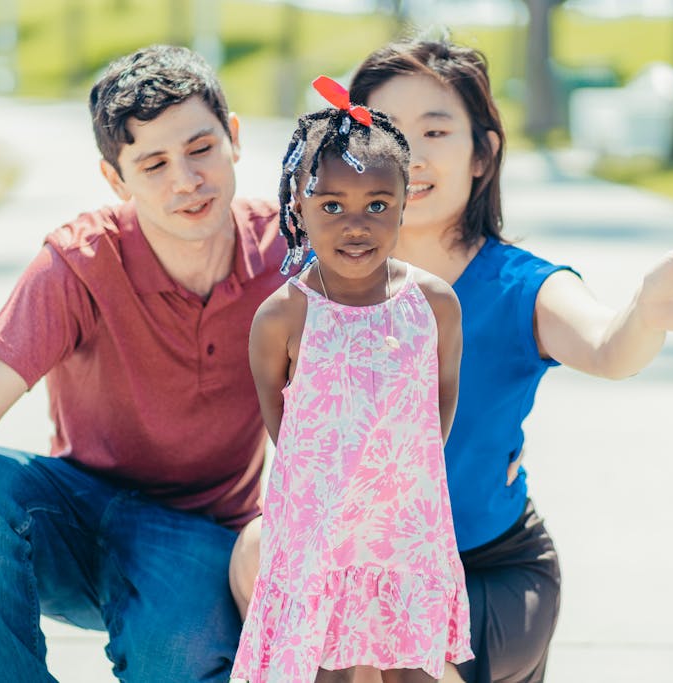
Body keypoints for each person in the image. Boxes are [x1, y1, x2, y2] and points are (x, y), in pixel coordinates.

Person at [229, 40, 673, 683]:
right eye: (388, 130)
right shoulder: (306, 282)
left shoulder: (517, 285)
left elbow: (607, 345)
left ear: (482, 153)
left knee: (387, 655)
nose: (411, 151)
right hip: (347, 564)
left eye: (435, 130)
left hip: (484, 568)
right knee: (259, 552)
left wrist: (646, 312)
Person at [0, 45, 287, 683]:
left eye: (201, 148)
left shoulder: (287, 255)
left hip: (198, 535)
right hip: (79, 515)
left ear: (234, 139)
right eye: (152, 163)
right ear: (116, 180)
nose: (185, 179)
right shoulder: (81, 261)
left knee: (172, 663)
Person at [231, 79, 471, 683]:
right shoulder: (283, 317)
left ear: (403, 203)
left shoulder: (433, 304)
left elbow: (438, 409)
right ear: (299, 206)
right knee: (323, 670)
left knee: (412, 668)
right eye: (331, 206)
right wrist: (339, 488)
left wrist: (392, 485)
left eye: (377, 205)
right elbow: (280, 422)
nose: (355, 225)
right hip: (318, 537)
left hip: (405, 533)